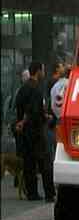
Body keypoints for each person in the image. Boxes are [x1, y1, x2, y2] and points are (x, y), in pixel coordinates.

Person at [14, 61, 53, 201]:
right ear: (37, 71)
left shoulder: (23, 88)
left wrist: (20, 122)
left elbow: (19, 107)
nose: (43, 73)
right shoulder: (36, 89)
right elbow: (35, 111)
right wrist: (45, 117)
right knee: (45, 163)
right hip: (36, 131)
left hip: (24, 133)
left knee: (29, 163)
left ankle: (32, 193)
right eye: (42, 70)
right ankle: (49, 194)